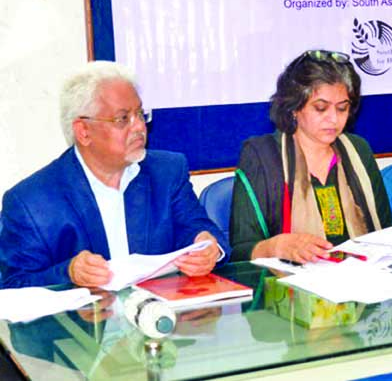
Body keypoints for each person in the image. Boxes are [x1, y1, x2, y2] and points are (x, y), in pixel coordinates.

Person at [0, 62, 228, 289]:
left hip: (159, 317)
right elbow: (14, 285)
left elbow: (197, 228)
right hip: (84, 323)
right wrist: (68, 273)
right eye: (123, 118)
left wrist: (208, 249)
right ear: (83, 131)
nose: (139, 126)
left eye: (140, 114)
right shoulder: (30, 202)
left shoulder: (167, 171)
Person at [229, 50, 392, 263]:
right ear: (294, 107)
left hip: (361, 280)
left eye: (342, 109)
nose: (333, 119)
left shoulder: (358, 151)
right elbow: (240, 254)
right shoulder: (262, 156)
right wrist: (276, 246)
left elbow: (388, 236)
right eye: (321, 108)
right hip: (288, 288)